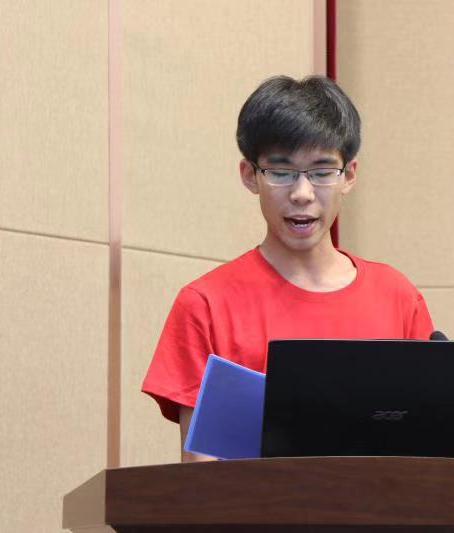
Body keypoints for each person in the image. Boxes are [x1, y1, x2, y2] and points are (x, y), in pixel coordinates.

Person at [141, 75, 434, 462]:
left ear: (349, 175)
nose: (302, 193)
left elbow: (429, 456)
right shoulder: (205, 304)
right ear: (250, 176)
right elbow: (201, 474)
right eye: (281, 172)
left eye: (322, 172)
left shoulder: (397, 297)